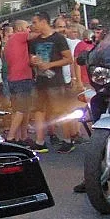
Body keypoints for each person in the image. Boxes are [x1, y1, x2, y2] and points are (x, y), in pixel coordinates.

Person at [28, 11, 73, 153]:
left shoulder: (58, 38)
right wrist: (33, 61)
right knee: (39, 111)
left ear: (43, 22)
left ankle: (68, 140)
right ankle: (40, 141)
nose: (32, 25)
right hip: (40, 80)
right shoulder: (34, 41)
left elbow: (69, 59)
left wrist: (50, 65)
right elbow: (31, 58)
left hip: (55, 81)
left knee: (60, 110)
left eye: (35, 22)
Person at [3, 20, 35, 144]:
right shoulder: (19, 36)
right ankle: (11, 138)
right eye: (27, 27)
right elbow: (36, 35)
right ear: (20, 29)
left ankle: (22, 136)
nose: (29, 29)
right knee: (21, 110)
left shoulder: (9, 42)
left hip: (13, 79)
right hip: (21, 79)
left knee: (21, 110)